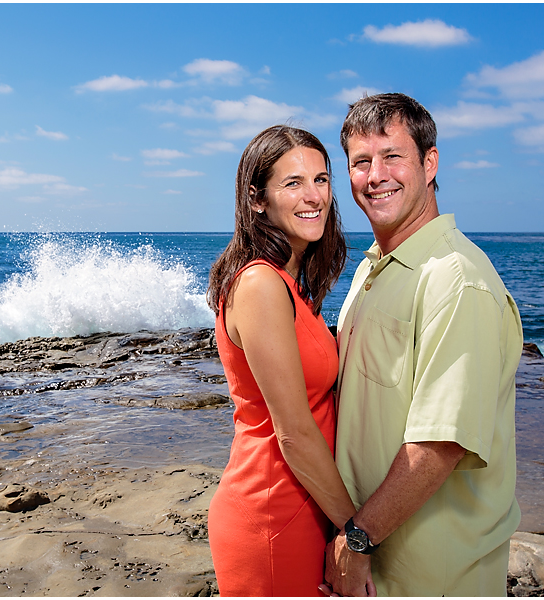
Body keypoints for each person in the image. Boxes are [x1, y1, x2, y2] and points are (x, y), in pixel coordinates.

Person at [323, 93, 522, 596]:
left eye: (393, 156)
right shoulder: (374, 265)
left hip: (436, 574)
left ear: (429, 163)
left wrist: (357, 539)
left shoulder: (455, 278)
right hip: (380, 567)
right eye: (360, 162)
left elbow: (441, 442)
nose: (375, 175)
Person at [206, 125, 368, 596]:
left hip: (309, 503)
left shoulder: (292, 284)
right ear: (258, 200)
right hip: (273, 512)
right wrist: (356, 532)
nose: (313, 195)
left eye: (321, 179)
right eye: (292, 183)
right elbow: (294, 433)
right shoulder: (260, 284)